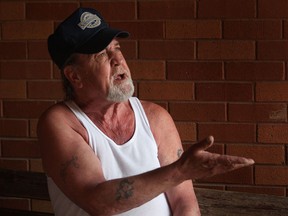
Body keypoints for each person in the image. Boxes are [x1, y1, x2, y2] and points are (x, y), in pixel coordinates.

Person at [37, 7, 254, 216]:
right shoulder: (60, 122)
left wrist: (181, 172)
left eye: (117, 48)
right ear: (74, 76)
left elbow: (184, 202)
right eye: (102, 54)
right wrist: (180, 171)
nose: (118, 60)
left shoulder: (155, 117)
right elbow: (98, 202)